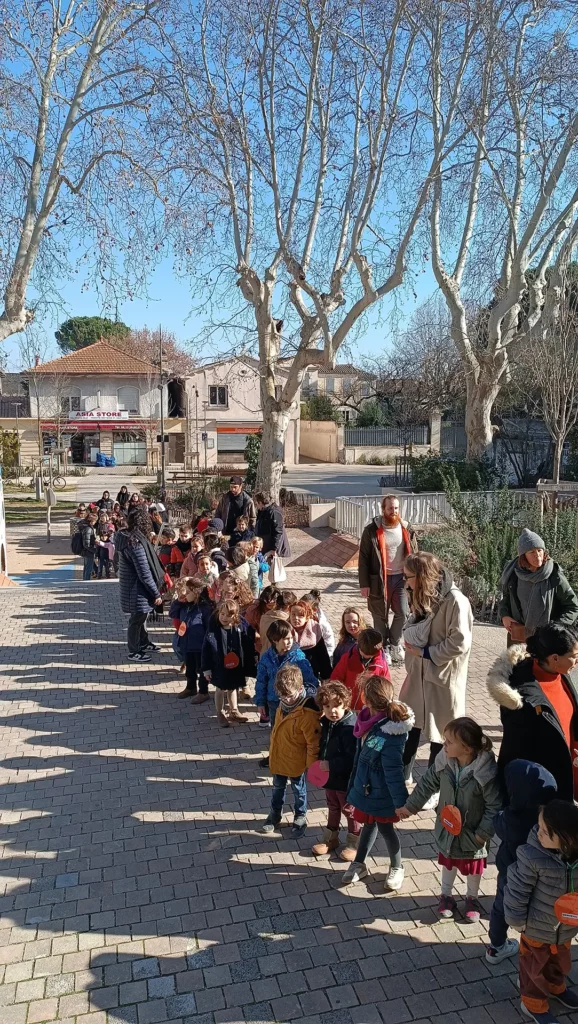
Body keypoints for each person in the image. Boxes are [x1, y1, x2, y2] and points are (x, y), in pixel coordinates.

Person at [398, 717, 501, 922]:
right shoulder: (444, 762)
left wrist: (481, 835)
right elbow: (427, 784)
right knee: (449, 862)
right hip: (448, 828)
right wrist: (410, 807)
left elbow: (494, 806)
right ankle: (446, 896)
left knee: (473, 866)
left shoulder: (485, 773)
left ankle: (472, 898)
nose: (444, 745)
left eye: (449, 742)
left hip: (472, 832)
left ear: (466, 749)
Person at [400, 552, 473, 788]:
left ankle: (432, 788)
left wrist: (426, 653)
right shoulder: (422, 595)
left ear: (422, 576)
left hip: (443, 677)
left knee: (442, 735)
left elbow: (460, 643)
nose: (405, 582)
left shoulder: (456, 601)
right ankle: (403, 778)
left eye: (408, 577)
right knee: (409, 724)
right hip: (418, 675)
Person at [504, 800, 578, 1023]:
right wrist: (517, 920)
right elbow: (517, 889)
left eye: (545, 832)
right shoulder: (531, 856)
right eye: (539, 827)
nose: (538, 834)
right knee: (533, 968)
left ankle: (556, 987)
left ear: (567, 838)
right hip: (535, 927)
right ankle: (533, 1004)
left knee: (560, 962)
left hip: (565, 928)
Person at [486, 623, 578, 801]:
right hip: (542, 789)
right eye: (574, 656)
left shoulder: (561, 675)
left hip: (565, 772)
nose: (577, 661)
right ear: (554, 658)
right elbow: (516, 754)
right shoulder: (522, 699)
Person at [342, 674, 414, 891]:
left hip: (381, 793)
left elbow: (393, 772)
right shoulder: (368, 721)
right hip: (367, 789)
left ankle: (397, 866)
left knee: (385, 828)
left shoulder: (390, 733)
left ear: (367, 699)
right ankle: (359, 864)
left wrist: (401, 803)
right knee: (369, 824)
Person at [486, 760, 557, 965]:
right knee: (535, 917)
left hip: (510, 871)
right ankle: (533, 962)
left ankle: (496, 947)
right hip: (540, 879)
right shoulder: (549, 820)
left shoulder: (511, 818)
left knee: (501, 907)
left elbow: (497, 822)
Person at [260, 663, 321, 838]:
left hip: (297, 761)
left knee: (299, 790)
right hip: (280, 757)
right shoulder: (283, 705)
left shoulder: (307, 714)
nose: (286, 700)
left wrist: (312, 766)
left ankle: (300, 816)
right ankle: (275, 814)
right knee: (277, 788)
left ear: (300, 689)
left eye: (289, 696)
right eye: (281, 696)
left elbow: (313, 743)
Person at [358, 494, 418, 664]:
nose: (394, 511)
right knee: (379, 615)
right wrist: (364, 584)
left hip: (401, 579)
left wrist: (416, 579)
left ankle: (394, 643)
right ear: (383, 509)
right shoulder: (371, 530)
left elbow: (415, 554)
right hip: (379, 580)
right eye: (390, 508)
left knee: (403, 613)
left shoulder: (406, 528)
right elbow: (363, 558)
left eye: (396, 508)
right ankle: (383, 647)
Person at [500, 528, 578, 644]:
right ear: (523, 556)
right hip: (519, 639)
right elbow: (506, 598)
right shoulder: (514, 574)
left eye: (539, 550)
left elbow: (572, 606)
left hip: (547, 642)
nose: (537, 555)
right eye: (532, 552)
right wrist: (504, 615)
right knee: (517, 657)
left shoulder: (554, 575)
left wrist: (556, 628)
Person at [311, 681, 361, 862]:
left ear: (345, 705)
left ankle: (354, 842)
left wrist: (331, 764)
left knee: (349, 810)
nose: (332, 711)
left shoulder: (349, 727)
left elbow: (352, 757)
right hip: (330, 778)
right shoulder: (326, 723)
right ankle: (330, 838)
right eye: (327, 706)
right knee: (332, 806)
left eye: (336, 706)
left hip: (345, 779)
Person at [115, 506, 165, 662]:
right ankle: (134, 650)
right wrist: (156, 593)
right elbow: (144, 573)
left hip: (133, 588)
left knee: (141, 618)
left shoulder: (127, 537)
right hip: (136, 590)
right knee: (137, 620)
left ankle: (143, 642)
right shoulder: (134, 544)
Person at [201, 598, 256, 727]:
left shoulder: (240, 628)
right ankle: (220, 712)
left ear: (235, 616)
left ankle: (234, 710)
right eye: (222, 614)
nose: (224, 617)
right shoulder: (213, 630)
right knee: (220, 688)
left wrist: (252, 656)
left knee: (233, 687)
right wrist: (206, 669)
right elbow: (206, 651)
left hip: (235, 665)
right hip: (219, 665)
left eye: (228, 615)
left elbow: (248, 644)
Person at [255, 618, 319, 726]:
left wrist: (311, 699)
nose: (290, 641)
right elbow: (261, 682)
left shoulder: (298, 657)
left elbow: (310, 681)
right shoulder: (266, 658)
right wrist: (260, 702)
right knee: (276, 729)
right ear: (275, 640)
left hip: (294, 702)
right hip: (274, 702)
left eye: (291, 638)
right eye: (286, 639)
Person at [170, 576, 214, 702]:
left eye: (188, 592)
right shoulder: (184, 605)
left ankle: (203, 692)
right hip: (187, 643)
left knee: (202, 670)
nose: (185, 594)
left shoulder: (205, 608)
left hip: (200, 646)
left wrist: (209, 645)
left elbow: (209, 628)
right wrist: (178, 601)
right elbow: (172, 613)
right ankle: (190, 687)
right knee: (190, 668)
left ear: (196, 593)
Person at [330, 627, 391, 711]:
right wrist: (337, 699)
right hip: (348, 706)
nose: (367, 656)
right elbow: (335, 679)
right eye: (364, 653)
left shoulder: (382, 664)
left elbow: (386, 685)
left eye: (371, 655)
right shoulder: (347, 659)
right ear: (358, 645)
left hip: (369, 708)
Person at [290, 600, 332, 680]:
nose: (296, 618)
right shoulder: (285, 630)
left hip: (311, 674)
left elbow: (322, 656)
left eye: (300, 615)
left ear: (307, 617)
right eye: (293, 614)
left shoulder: (314, 630)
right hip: (290, 676)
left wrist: (326, 677)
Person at [254, 491, 291, 580]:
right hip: (266, 544)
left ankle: (274, 586)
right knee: (267, 565)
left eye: (257, 503)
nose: (256, 506)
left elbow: (278, 531)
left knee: (274, 568)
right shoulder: (263, 511)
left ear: (260, 502)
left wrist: (274, 548)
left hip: (272, 546)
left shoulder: (273, 512)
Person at [259, 590, 297, 654]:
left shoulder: (264, 617)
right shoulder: (287, 621)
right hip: (279, 656)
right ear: (289, 607)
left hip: (264, 654)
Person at [302, 590, 336, 661]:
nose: (302, 611)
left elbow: (329, 642)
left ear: (314, 610)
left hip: (323, 655)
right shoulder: (303, 619)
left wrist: (327, 656)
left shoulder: (322, 624)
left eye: (305, 609)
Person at [80, 513, 98, 580]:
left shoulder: (86, 527)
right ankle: (86, 581)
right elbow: (86, 544)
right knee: (88, 569)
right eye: (95, 521)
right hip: (88, 551)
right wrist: (94, 550)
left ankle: (85, 580)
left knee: (86, 567)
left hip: (86, 551)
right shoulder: (88, 529)